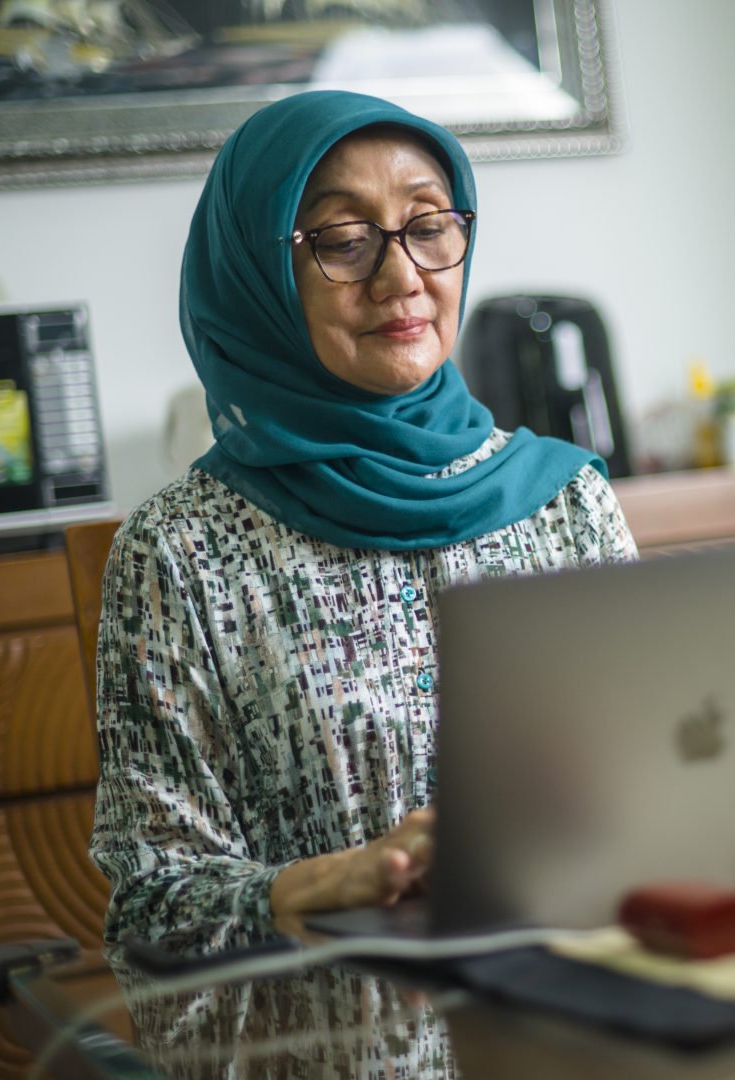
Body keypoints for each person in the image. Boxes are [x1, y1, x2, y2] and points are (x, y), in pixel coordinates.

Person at [89, 90, 637, 961]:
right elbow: (154, 906)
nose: (402, 278)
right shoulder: (180, 552)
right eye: (343, 243)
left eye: (428, 226)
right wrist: (321, 883)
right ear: (257, 274)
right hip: (342, 1040)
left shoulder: (563, 500)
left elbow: (652, 778)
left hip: (578, 1016)